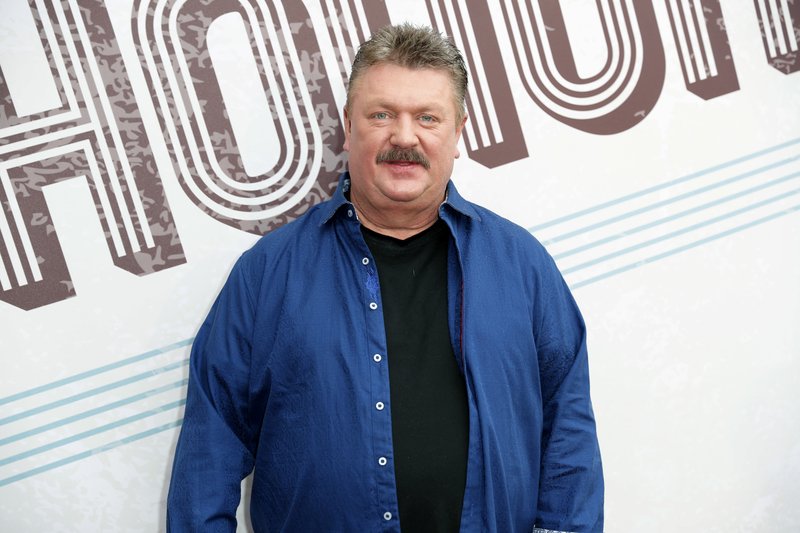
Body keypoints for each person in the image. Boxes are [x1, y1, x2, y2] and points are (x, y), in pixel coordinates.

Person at [167, 23, 603, 533]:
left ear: (457, 132)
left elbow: (567, 433)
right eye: (381, 115)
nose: (404, 136)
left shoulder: (523, 267)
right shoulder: (267, 274)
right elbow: (210, 446)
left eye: (427, 117)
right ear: (348, 127)